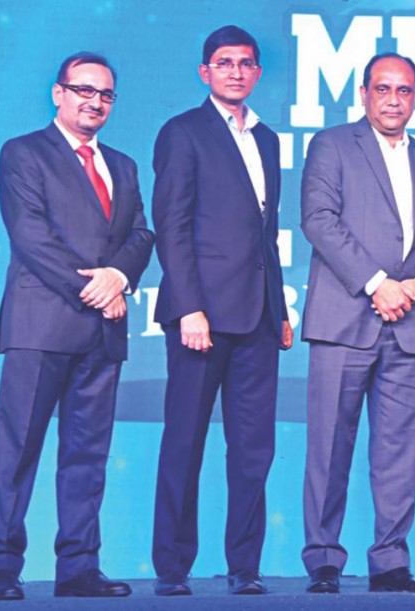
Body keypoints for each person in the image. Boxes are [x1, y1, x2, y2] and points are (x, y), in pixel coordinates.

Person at [0, 52, 154, 601]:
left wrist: (120, 275)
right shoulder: (25, 153)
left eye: (105, 94)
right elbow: (30, 237)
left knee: (87, 456)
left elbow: (142, 235)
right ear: (58, 94)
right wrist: (98, 289)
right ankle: (1, 569)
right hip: (41, 326)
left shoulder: (121, 165)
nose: (94, 101)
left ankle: (78, 568)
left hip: (102, 334)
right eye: (83, 90)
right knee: (18, 452)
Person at [151, 25, 293, 597]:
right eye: (224, 62)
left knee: (254, 449)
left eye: (247, 63)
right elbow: (173, 225)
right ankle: (171, 568)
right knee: (184, 442)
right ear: (205, 71)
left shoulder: (269, 140)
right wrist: (189, 308)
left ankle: (244, 567)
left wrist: (280, 308)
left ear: (258, 74)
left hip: (258, 319)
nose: (236, 71)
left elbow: (266, 236)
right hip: (200, 319)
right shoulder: (183, 133)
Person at [298, 52, 415, 595]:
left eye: (404, 90)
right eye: (382, 89)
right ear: (363, 94)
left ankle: (390, 562)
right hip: (344, 319)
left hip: (407, 322)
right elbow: (318, 219)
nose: (392, 99)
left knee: (397, 451)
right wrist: (376, 283)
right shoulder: (333, 145)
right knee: (329, 448)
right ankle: (323, 560)